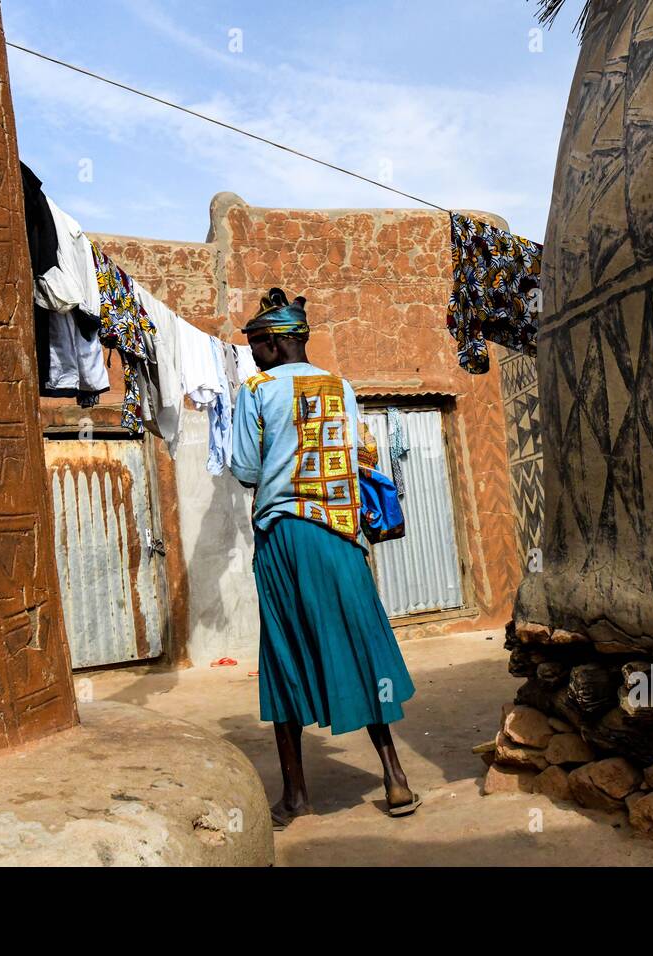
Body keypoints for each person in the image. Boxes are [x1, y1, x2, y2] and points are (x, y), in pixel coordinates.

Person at [230, 288, 420, 829]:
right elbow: (360, 455)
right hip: (341, 535)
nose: (251, 354)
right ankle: (395, 774)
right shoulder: (342, 386)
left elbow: (246, 468)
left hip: (285, 535)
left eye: (254, 345)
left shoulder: (257, 389)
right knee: (363, 643)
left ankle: (295, 797)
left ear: (271, 342)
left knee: (283, 654)